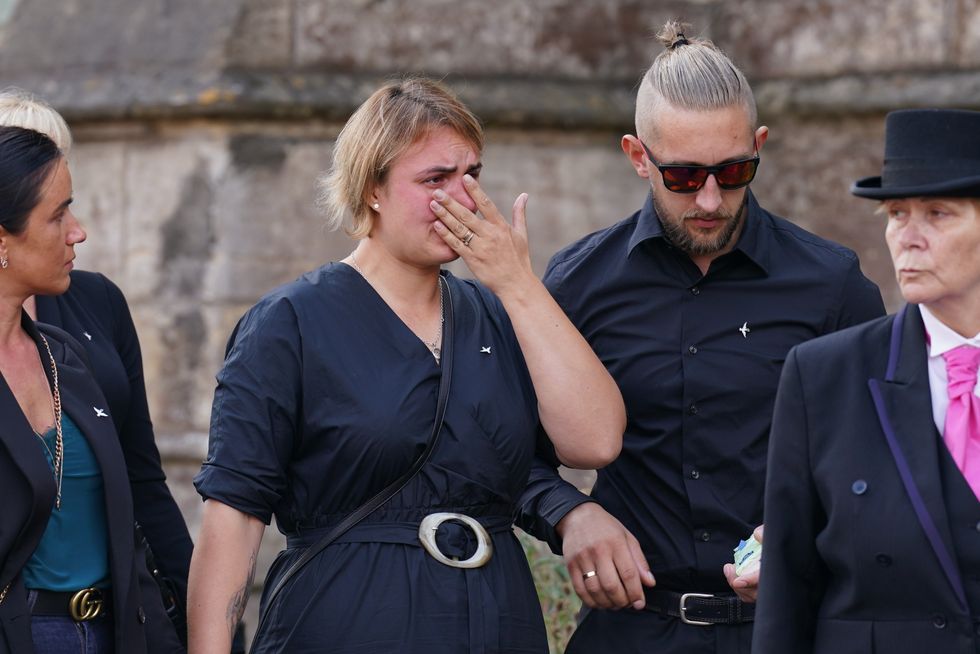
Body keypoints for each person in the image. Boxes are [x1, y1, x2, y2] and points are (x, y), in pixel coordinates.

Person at [187, 77, 626, 653]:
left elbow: (594, 443)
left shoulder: (497, 313)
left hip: (493, 622)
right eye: (434, 180)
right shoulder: (289, 322)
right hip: (347, 620)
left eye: (472, 175)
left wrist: (520, 286)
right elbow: (233, 522)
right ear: (373, 188)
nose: (462, 199)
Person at [514, 21, 885, 654]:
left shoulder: (833, 284)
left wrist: (812, 532)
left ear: (760, 146)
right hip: (627, 634)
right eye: (684, 176)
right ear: (638, 157)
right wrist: (570, 514)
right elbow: (507, 444)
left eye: (735, 170)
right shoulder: (578, 283)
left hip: (790, 632)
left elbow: (885, 455)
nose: (711, 199)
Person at [753, 109, 980, 653]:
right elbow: (788, 587)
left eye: (938, 214)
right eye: (897, 213)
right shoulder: (823, 375)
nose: (909, 237)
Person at [0, 86, 196, 647]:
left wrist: (202, 623)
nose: (78, 229)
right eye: (57, 211)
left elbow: (141, 485)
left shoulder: (67, 350)